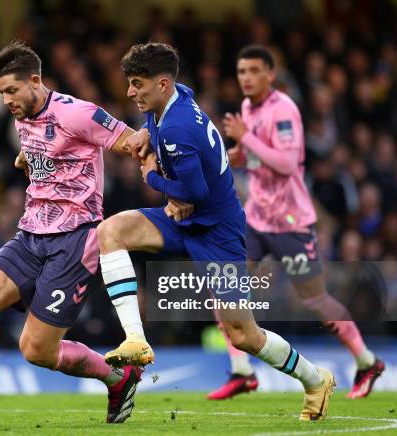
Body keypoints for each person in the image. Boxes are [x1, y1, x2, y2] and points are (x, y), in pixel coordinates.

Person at [97, 42, 335, 421]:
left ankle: (314, 379)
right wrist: (145, 132)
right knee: (111, 232)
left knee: (244, 335)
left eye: (136, 84)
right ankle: (136, 339)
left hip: (217, 233)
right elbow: (186, 186)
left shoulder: (178, 128)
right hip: (182, 219)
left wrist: (153, 176)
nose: (129, 92)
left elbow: (195, 192)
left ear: (160, 83)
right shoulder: (174, 98)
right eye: (129, 83)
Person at [0, 40, 147, 427]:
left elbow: (131, 141)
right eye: (0, 93)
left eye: (11, 90)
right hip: (31, 233)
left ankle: (117, 376)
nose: (5, 100)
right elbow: (48, 147)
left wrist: (158, 166)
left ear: (35, 80)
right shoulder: (23, 113)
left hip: (75, 240)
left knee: (36, 351)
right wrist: (29, 157)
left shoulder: (78, 113)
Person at [208, 44, 384, 400]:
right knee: (223, 287)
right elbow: (253, 158)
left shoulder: (284, 110)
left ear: (271, 74)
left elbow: (287, 164)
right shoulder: (246, 108)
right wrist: (230, 157)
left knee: (314, 299)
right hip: (257, 219)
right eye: (241, 72)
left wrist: (247, 138)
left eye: (254, 71)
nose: (246, 78)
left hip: (290, 221)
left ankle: (367, 362)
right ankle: (242, 371)